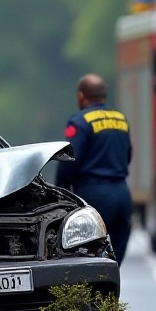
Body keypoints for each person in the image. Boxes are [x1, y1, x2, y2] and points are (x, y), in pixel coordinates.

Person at [55, 74, 134, 264]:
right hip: (122, 195)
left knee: (90, 258)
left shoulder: (79, 122)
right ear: (103, 95)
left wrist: (60, 192)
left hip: (94, 196)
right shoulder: (120, 119)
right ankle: (112, 292)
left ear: (81, 96)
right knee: (115, 259)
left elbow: (69, 160)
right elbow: (128, 154)